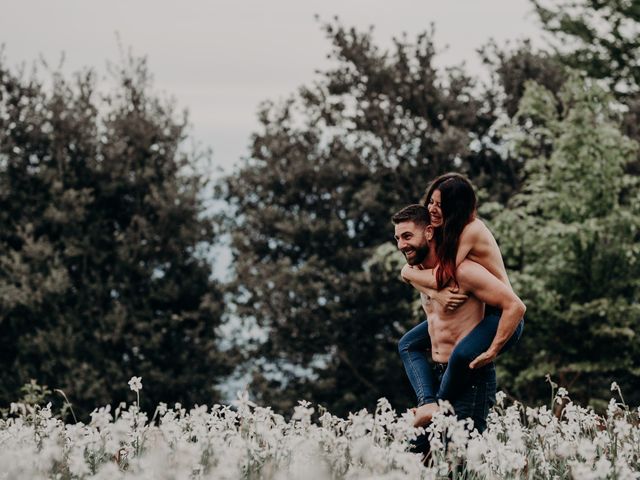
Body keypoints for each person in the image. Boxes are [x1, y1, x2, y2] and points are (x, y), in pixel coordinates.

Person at [398, 174, 524, 426]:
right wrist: (421, 283)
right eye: (431, 201)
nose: (432, 208)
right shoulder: (448, 231)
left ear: (455, 208)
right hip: (483, 313)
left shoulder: (470, 230)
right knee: (408, 343)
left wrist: (493, 349)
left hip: (500, 316)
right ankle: (427, 402)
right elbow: (435, 284)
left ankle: (435, 410)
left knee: (460, 355)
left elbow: (442, 276)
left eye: (440, 204)